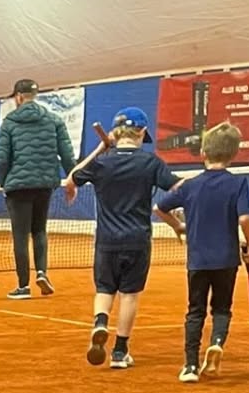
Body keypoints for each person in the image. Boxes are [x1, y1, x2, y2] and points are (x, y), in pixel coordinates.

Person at [64, 107, 181, 370]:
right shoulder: (151, 163)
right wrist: (178, 219)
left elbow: (71, 179)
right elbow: (177, 187)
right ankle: (119, 351)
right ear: (142, 132)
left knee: (104, 290)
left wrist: (99, 150)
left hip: (107, 241)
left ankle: (100, 323)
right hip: (138, 239)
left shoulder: (102, 163)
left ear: (116, 133)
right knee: (129, 295)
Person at [152, 121, 249, 382]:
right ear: (233, 154)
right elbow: (245, 219)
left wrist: (180, 227)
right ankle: (217, 343)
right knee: (222, 308)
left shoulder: (189, 185)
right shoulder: (238, 183)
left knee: (195, 310)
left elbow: (159, 208)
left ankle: (189, 366)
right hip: (227, 259)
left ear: (203, 153)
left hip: (198, 260)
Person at [0, 78, 76, 299]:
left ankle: (23, 286)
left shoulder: (9, 123)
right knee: (39, 230)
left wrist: (4, 182)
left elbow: (2, 158)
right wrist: (73, 179)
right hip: (44, 184)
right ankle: (42, 272)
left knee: (20, 236)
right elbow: (67, 154)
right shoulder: (54, 120)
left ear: (19, 97)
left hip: (18, 187)